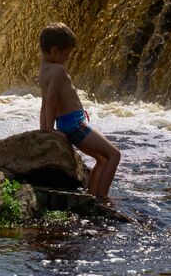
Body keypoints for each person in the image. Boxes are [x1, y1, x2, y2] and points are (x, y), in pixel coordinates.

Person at [38, 22, 120, 201]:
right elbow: (51, 99)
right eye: (66, 54)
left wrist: (44, 127)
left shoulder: (43, 69)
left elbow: (44, 102)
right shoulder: (58, 70)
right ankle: (103, 198)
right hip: (74, 125)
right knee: (114, 155)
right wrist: (51, 130)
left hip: (68, 123)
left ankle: (91, 197)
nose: (67, 58)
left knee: (102, 159)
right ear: (54, 51)